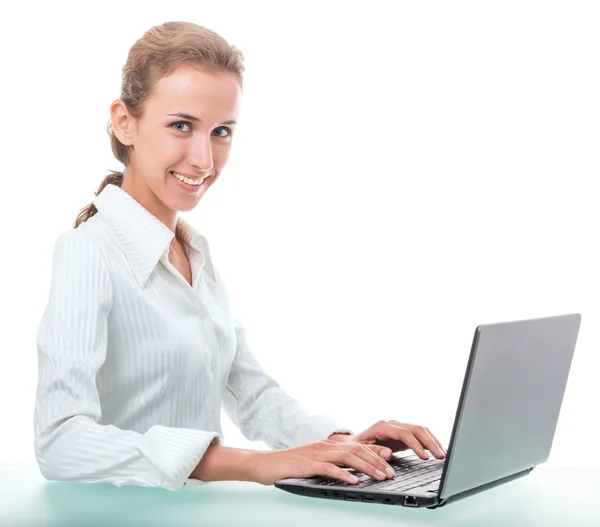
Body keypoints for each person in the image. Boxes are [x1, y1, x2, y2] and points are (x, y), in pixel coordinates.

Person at [34, 21, 446, 491]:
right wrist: (252, 465)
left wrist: (341, 443)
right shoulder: (88, 252)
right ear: (125, 122)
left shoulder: (192, 250)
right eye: (181, 126)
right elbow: (59, 441)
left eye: (221, 131)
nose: (204, 159)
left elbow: (251, 392)